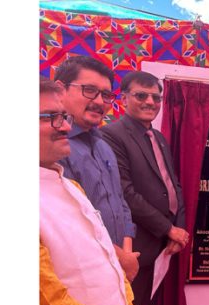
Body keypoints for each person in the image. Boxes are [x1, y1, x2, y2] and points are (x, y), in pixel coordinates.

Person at [39, 78, 147, 305]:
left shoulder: (70, 187)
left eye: (63, 117)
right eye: (49, 118)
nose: (63, 127)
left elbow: (108, 263)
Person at [100, 71, 188, 305]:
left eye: (156, 97)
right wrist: (168, 228)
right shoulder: (112, 135)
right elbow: (126, 193)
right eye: (141, 95)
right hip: (134, 243)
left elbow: (172, 185)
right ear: (123, 98)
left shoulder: (158, 137)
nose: (150, 102)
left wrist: (180, 229)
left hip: (162, 242)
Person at [54, 56, 140, 281]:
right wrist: (120, 258)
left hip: (118, 267)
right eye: (90, 90)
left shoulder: (103, 146)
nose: (100, 101)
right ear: (60, 90)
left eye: (106, 95)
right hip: (79, 272)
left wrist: (126, 253)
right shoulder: (53, 146)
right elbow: (71, 220)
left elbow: (120, 201)